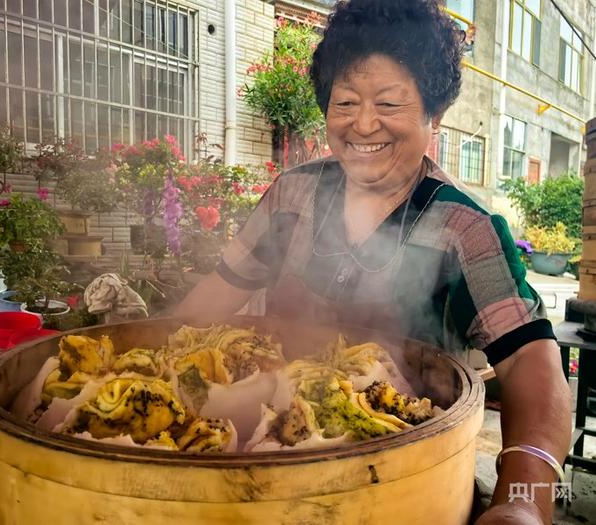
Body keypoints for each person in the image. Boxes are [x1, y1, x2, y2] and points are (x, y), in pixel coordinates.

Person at [174, 1, 571, 522]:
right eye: (345, 102)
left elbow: (530, 364)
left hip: (404, 481)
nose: (362, 124)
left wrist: (524, 503)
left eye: (389, 103)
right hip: (260, 470)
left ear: (435, 113)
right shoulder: (292, 196)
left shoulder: (463, 229)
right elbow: (214, 295)